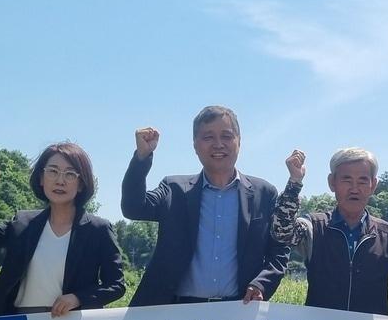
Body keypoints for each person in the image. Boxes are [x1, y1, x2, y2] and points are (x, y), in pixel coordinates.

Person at [121, 105, 288, 306]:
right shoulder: (174, 189)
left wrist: (262, 284)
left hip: (238, 311)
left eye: (226, 136)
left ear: (239, 141)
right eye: (208, 137)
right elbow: (133, 208)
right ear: (195, 145)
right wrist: (142, 158)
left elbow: (278, 251)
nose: (218, 144)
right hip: (176, 312)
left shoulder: (265, 193)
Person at [270, 146, 388, 320]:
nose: (354, 189)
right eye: (346, 180)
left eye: (362, 181)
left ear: (373, 185)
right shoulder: (314, 226)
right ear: (332, 182)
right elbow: (281, 232)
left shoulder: (387, 234)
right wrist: (295, 181)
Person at [0, 142, 126, 317]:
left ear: (81, 183)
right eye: (52, 171)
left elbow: (116, 285)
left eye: (70, 174)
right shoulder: (23, 223)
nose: (60, 180)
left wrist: (77, 298)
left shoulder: (97, 230)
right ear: (41, 179)